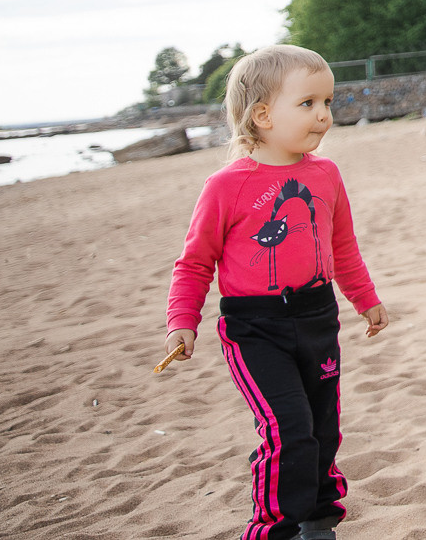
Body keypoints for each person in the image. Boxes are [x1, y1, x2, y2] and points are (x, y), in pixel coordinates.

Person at [162, 44, 390, 540]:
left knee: (321, 429)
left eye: (327, 102)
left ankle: (319, 519)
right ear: (262, 115)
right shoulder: (226, 186)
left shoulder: (325, 175)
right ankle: (272, 529)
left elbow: (343, 246)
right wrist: (182, 321)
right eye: (307, 103)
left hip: (318, 317)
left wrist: (364, 298)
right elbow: (195, 262)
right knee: (288, 428)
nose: (324, 115)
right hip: (255, 328)